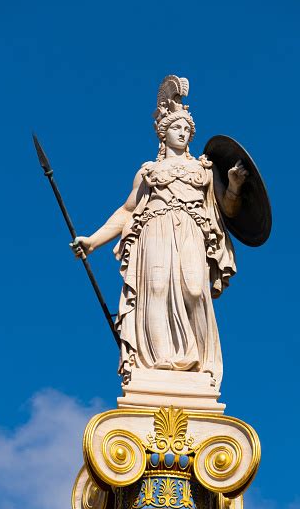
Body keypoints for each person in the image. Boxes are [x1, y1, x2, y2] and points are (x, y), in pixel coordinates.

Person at [70, 76, 248, 389]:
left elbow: (228, 209)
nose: (182, 132)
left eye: (186, 129)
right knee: (154, 290)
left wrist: (233, 184)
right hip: (154, 230)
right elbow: (127, 211)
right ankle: (159, 360)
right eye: (176, 127)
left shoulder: (204, 169)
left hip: (191, 230)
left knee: (194, 290)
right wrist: (93, 241)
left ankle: (200, 363)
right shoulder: (149, 171)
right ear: (163, 132)